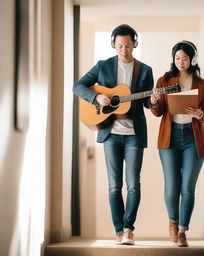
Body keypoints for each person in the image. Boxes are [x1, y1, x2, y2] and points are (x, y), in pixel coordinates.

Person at [73, 24, 154, 245]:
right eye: (119, 46)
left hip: (134, 134)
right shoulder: (103, 66)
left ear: (135, 44)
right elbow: (78, 86)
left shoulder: (145, 70)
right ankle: (119, 230)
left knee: (134, 184)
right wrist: (96, 97)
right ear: (113, 45)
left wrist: (154, 100)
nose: (123, 50)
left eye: (128, 45)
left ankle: (129, 229)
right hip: (110, 133)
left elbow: (148, 103)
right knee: (114, 185)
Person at [150, 41, 204, 247]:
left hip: (193, 138)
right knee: (171, 187)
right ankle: (173, 222)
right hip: (170, 136)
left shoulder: (202, 84)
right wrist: (154, 101)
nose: (181, 62)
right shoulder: (164, 80)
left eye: (185, 58)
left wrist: (200, 114)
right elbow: (157, 113)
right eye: (177, 58)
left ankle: (183, 230)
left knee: (188, 188)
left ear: (192, 59)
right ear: (173, 59)